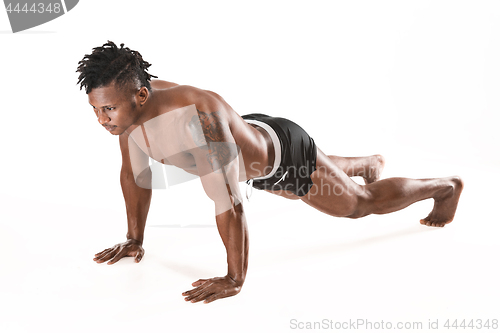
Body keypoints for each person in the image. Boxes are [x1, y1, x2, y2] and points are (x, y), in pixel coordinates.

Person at [77, 41, 463, 304]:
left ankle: (445, 188)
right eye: (95, 109)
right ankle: (365, 163)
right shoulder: (126, 113)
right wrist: (133, 237)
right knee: (311, 178)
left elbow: (227, 200)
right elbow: (134, 176)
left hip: (282, 158)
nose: (101, 119)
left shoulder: (197, 121)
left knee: (358, 204)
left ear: (140, 95)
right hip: (249, 153)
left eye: (107, 109)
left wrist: (234, 278)